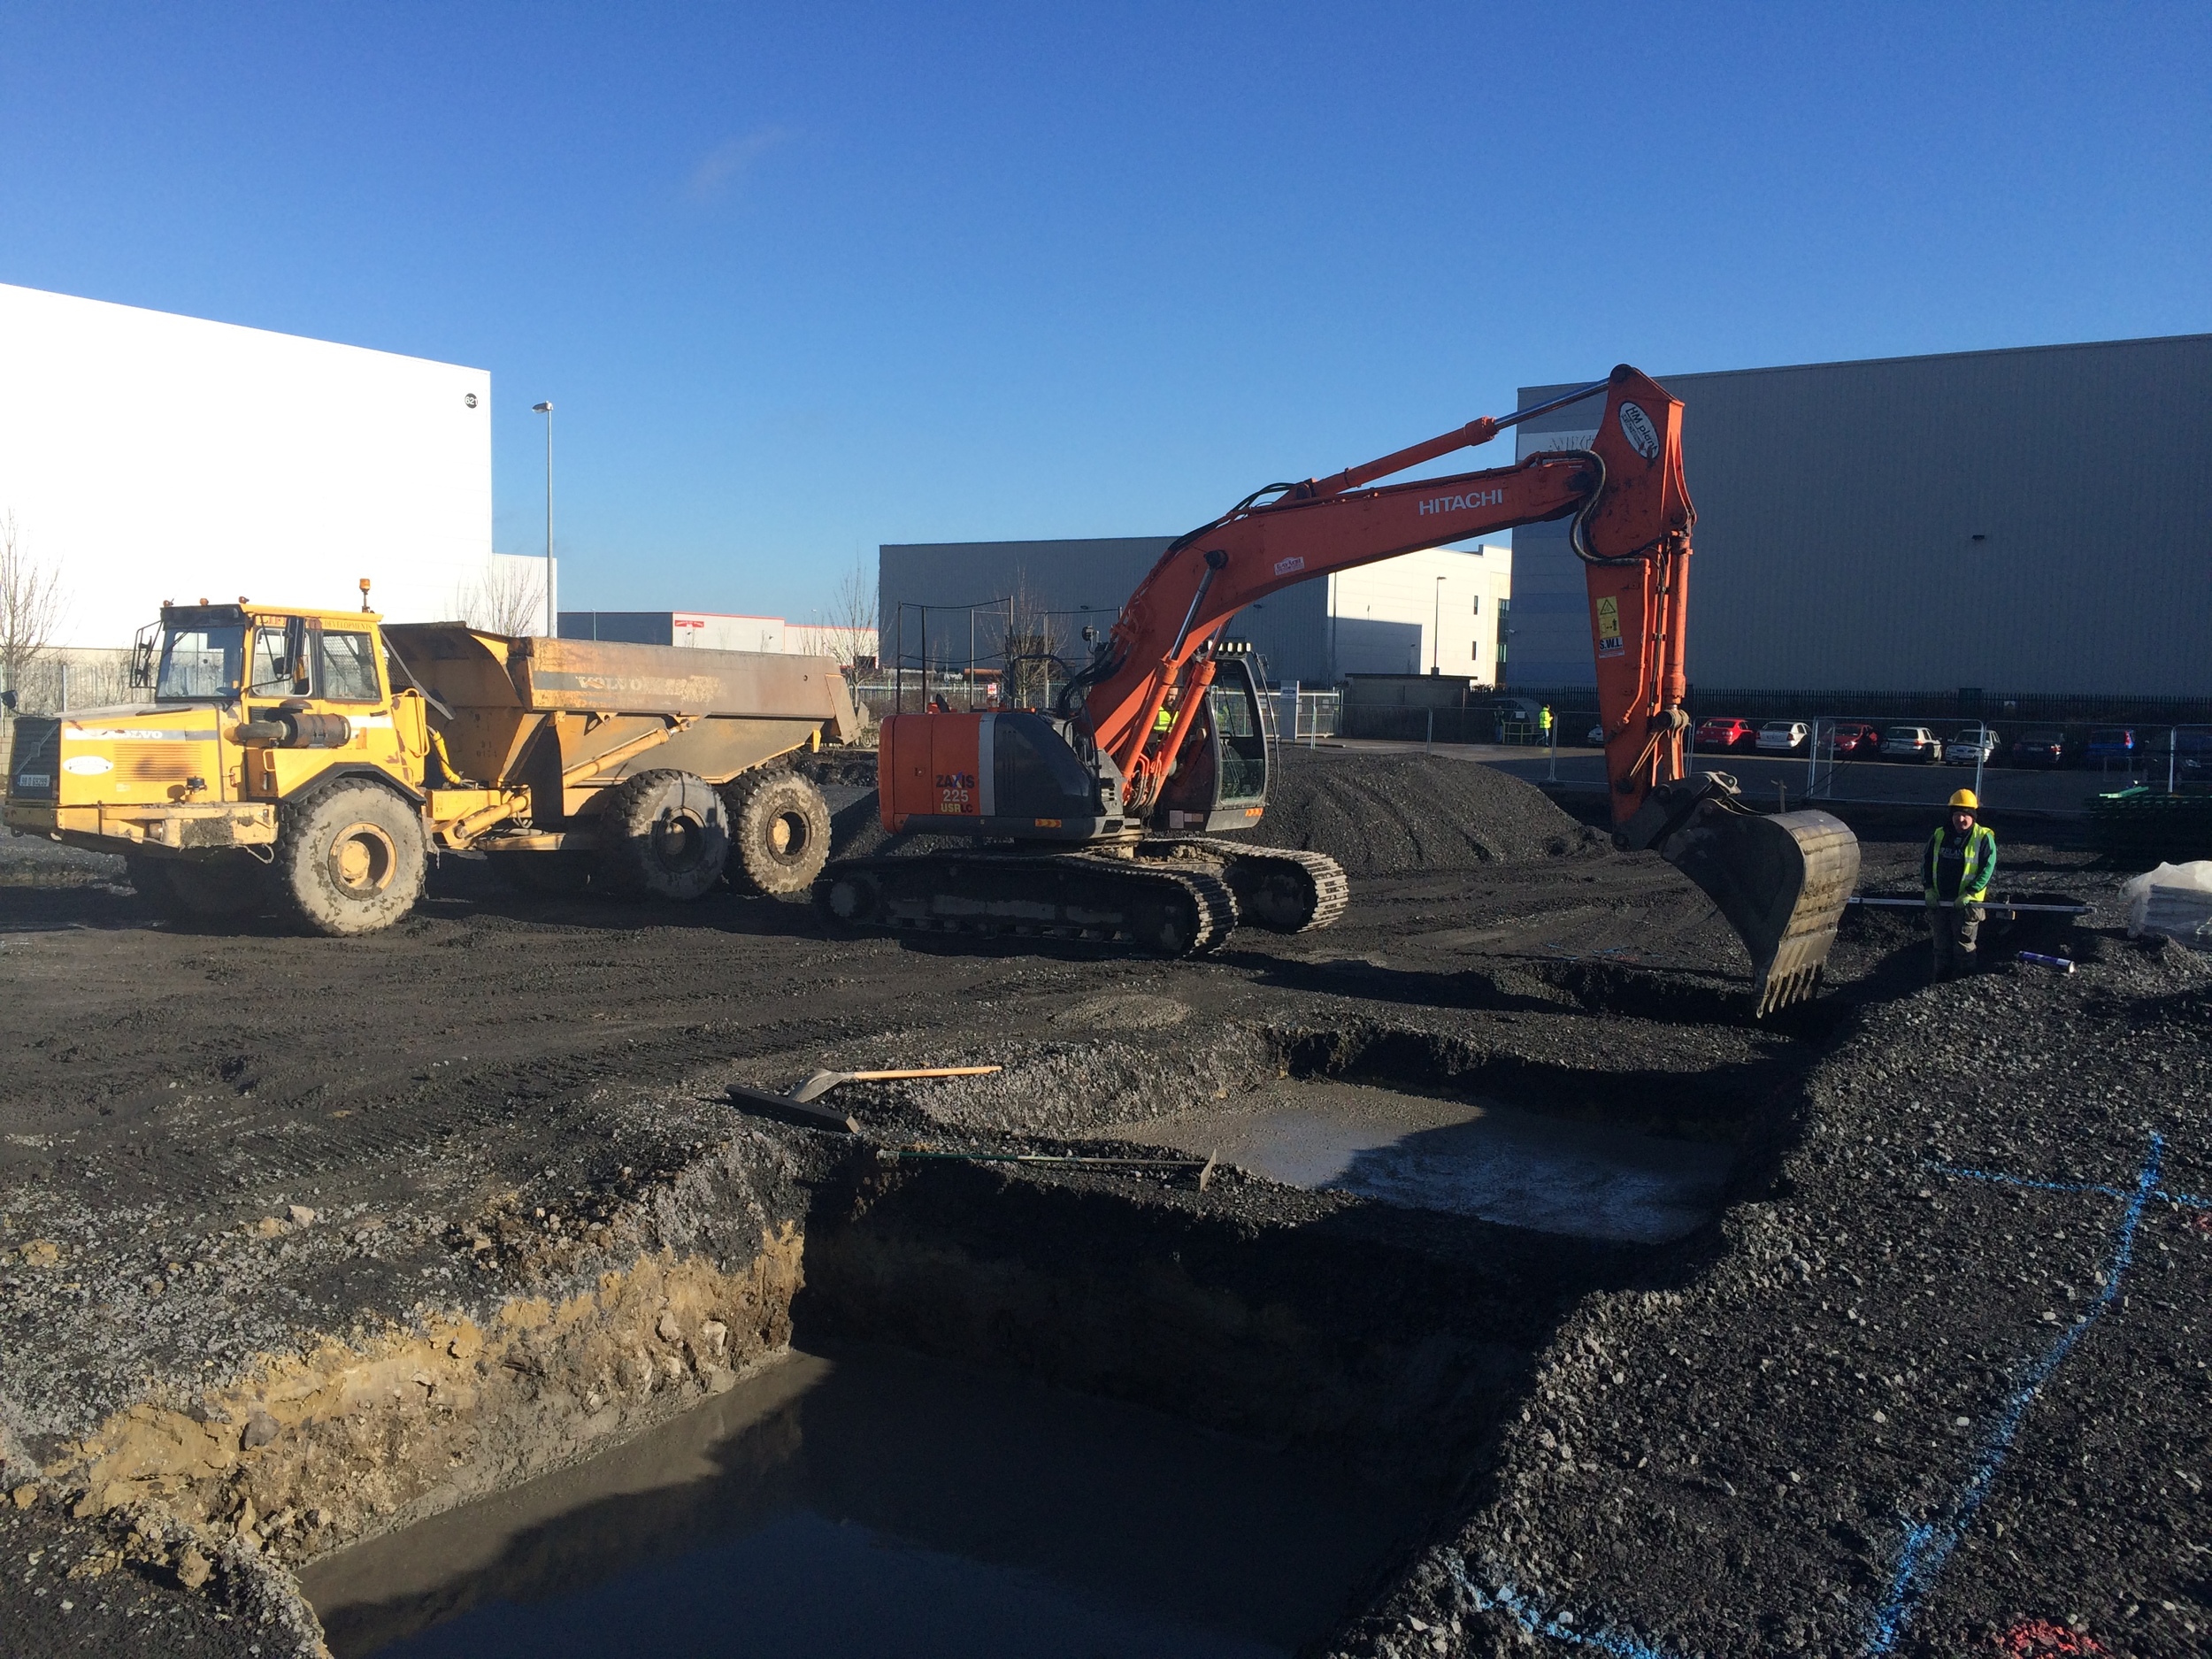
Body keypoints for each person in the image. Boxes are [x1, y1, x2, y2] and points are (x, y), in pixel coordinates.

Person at [1924, 787, 1997, 980]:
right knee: (1941, 947)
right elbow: (1927, 862)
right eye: (1957, 815)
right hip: (1941, 902)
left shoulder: (1983, 838)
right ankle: (1939, 982)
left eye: (1965, 815)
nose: (1961, 820)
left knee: (1964, 946)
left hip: (1967, 905)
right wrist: (1929, 889)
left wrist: (1970, 893)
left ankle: (1962, 984)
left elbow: (1986, 869)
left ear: (1973, 816)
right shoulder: (1940, 835)